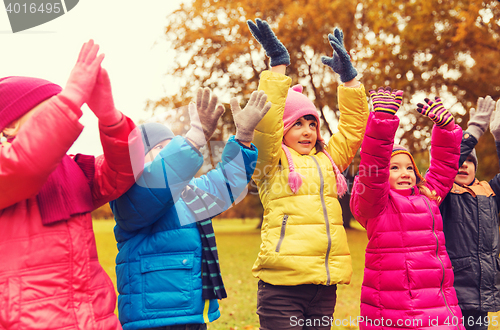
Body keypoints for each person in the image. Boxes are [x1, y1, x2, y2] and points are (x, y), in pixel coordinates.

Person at [0, 40, 140, 329]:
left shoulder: (72, 169)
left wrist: (110, 118)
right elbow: (24, 165)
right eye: (50, 109)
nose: (69, 112)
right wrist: (72, 95)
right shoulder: (8, 170)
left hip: (93, 318)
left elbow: (125, 172)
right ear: (9, 124)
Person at [110, 88, 271, 330]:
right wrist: (195, 136)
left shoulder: (189, 193)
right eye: (159, 148)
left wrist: (244, 138)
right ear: (137, 160)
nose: (169, 152)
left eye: (171, 145)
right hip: (153, 316)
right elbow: (160, 182)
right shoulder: (130, 196)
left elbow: (228, 183)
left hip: (191, 312)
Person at [246, 18, 369, 329]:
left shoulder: (328, 159)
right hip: (282, 288)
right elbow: (266, 126)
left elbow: (355, 129)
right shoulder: (271, 162)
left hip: (323, 287)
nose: (308, 131)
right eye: (298, 123)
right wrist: (278, 67)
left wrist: (350, 80)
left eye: (312, 123)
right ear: (283, 130)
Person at [350, 87, 465, 329]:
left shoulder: (427, 197)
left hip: (441, 306)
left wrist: (447, 129)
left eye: (409, 167)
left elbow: (444, 166)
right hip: (399, 310)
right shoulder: (376, 204)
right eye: (395, 168)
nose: (404, 173)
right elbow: (373, 167)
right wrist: (381, 122)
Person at [440, 96, 500, 330]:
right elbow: (445, 169)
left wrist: (499, 138)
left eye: (469, 162)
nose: (464, 165)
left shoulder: (489, 191)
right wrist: (472, 133)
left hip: (481, 295)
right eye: (460, 161)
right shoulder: (442, 193)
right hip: (450, 292)